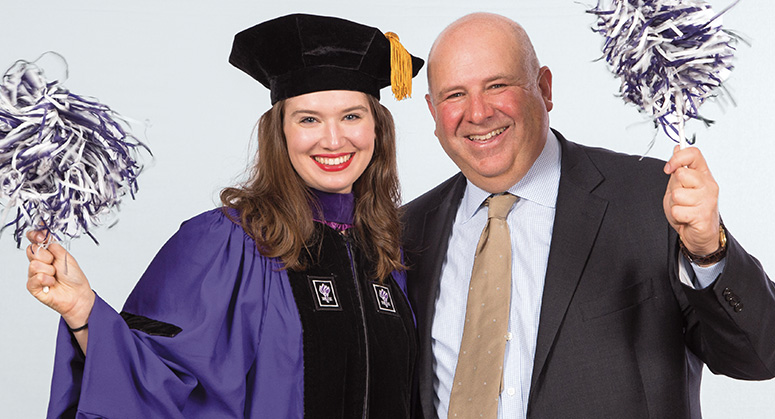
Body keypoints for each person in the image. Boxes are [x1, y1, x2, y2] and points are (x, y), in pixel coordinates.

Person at [25, 13, 424, 418]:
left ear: (378, 128)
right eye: (308, 119)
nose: (334, 139)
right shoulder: (227, 241)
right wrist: (82, 310)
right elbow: (155, 380)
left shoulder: (389, 251)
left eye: (351, 116)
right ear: (280, 132)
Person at [402, 12, 775, 419]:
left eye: (497, 85)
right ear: (432, 111)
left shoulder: (651, 198)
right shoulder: (406, 232)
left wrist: (707, 252)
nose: (477, 113)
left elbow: (758, 357)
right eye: (454, 95)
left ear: (544, 88)